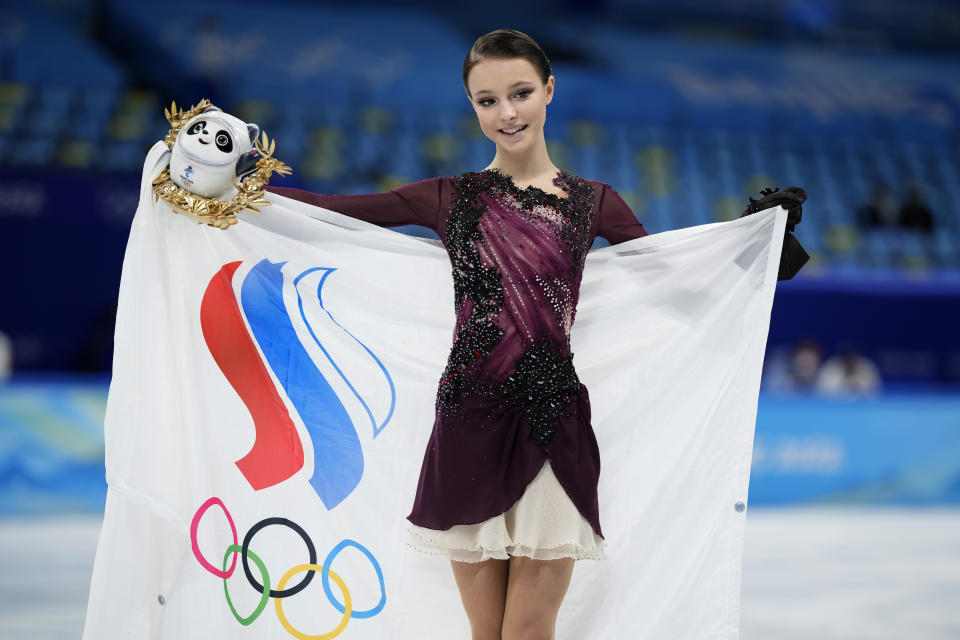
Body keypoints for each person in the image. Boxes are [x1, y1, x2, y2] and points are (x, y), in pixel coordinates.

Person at [266, 29, 806, 640]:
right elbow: (325, 208)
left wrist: (749, 248)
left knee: (528, 629)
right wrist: (233, 192)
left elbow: (674, 277)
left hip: (553, 421)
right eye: (487, 100)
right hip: (469, 419)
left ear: (549, 90)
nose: (507, 112)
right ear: (472, 107)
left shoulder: (593, 202)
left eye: (520, 92)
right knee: (486, 632)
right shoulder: (448, 197)